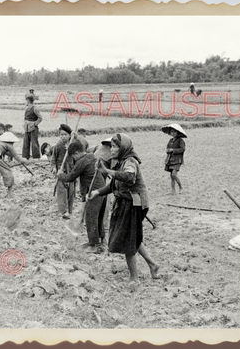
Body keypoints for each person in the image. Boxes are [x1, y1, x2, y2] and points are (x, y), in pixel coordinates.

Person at [88, 133, 160, 289]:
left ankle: (134, 278)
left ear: (123, 148)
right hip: (126, 202)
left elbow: (128, 177)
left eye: (115, 146)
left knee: (128, 239)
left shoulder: (130, 162)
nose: (112, 149)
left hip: (134, 203)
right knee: (132, 236)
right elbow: (113, 185)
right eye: (111, 146)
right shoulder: (120, 163)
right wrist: (97, 192)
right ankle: (153, 265)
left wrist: (107, 171)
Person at [57, 140, 106, 253]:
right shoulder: (90, 156)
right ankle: (101, 241)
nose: (74, 158)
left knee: (90, 217)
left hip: (94, 192)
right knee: (98, 216)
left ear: (77, 153)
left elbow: (70, 177)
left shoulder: (81, 162)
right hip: (102, 189)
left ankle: (94, 245)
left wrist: (61, 175)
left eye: (73, 155)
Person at [0, 132, 30, 197]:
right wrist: (26, 161)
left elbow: (6, 152)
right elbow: (17, 158)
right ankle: (9, 193)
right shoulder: (9, 145)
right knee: (7, 172)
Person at [51, 124, 75, 219]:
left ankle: (70, 211)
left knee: (71, 191)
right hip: (61, 171)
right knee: (61, 191)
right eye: (61, 134)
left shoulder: (73, 145)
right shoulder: (57, 145)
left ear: (69, 135)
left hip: (71, 171)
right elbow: (53, 159)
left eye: (65, 134)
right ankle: (63, 212)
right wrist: (53, 168)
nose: (63, 136)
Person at [163, 124, 187, 194]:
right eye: (171, 132)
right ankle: (173, 191)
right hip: (170, 160)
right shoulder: (170, 140)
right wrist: (168, 150)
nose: (173, 133)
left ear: (178, 133)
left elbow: (182, 149)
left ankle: (181, 187)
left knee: (174, 174)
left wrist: (173, 150)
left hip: (177, 160)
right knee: (171, 176)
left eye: (174, 132)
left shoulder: (180, 141)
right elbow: (167, 148)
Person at [22, 95, 42, 160]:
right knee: (26, 142)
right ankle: (26, 157)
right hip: (26, 128)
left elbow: (40, 118)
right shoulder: (26, 109)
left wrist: (34, 124)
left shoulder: (35, 108)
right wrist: (25, 123)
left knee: (34, 143)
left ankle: (36, 157)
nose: (25, 102)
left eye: (26, 101)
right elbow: (25, 118)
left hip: (33, 128)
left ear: (28, 101)